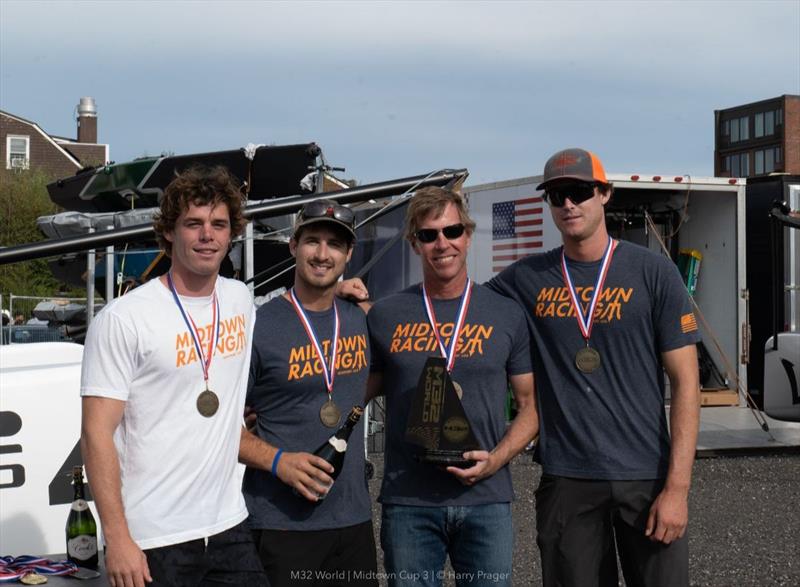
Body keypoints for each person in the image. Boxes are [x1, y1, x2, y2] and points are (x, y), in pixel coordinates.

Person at [487, 148, 701, 586]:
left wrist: (677, 489)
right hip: (568, 478)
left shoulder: (654, 273)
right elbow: (461, 308)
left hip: (646, 475)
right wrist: (366, 304)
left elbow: (686, 384)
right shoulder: (527, 277)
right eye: (558, 195)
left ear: (604, 194)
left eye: (580, 191)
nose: (568, 204)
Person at [80, 166, 268, 587]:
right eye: (194, 224)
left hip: (228, 525)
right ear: (168, 232)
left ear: (231, 234)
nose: (207, 235)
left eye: (219, 225)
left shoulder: (240, 300)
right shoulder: (124, 319)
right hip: (154, 538)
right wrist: (118, 537)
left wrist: (340, 297)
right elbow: (96, 434)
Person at [365, 187, 537, 586]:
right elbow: (354, 389)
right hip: (410, 500)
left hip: (487, 500)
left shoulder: (506, 314)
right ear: (414, 243)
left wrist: (496, 460)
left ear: (467, 235)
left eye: (452, 231)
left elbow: (531, 407)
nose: (442, 243)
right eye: (428, 235)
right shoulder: (386, 314)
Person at [239, 199, 378, 586]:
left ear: (348, 255)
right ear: (292, 247)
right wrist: (277, 460)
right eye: (311, 241)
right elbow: (217, 429)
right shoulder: (259, 325)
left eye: (334, 245)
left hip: (353, 520)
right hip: (281, 524)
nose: (322, 254)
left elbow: (386, 376)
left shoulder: (361, 319)